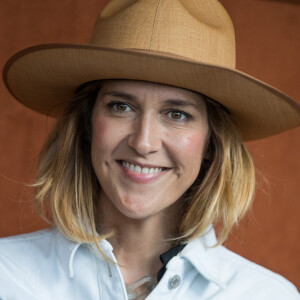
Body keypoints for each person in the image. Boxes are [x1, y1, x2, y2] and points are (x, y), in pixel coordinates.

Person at [1, 0, 299, 299]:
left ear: (212, 142)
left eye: (177, 114)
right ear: (87, 125)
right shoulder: (8, 276)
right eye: (121, 106)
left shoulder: (266, 295)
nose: (143, 143)